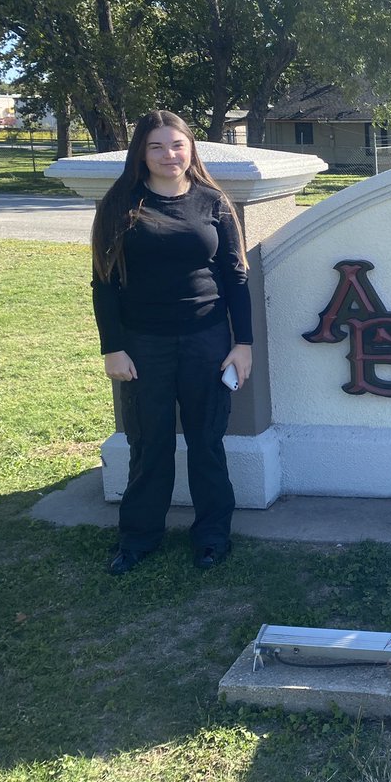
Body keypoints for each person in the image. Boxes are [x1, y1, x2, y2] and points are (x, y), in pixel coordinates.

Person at [90, 110, 253, 575]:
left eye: (177, 145)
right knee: (149, 443)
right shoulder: (120, 204)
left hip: (207, 340)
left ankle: (212, 536)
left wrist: (244, 344)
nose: (169, 155)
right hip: (143, 345)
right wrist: (113, 347)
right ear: (141, 152)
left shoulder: (212, 202)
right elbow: (104, 283)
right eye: (156, 146)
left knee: (207, 442)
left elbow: (235, 276)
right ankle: (139, 537)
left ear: (191, 149)